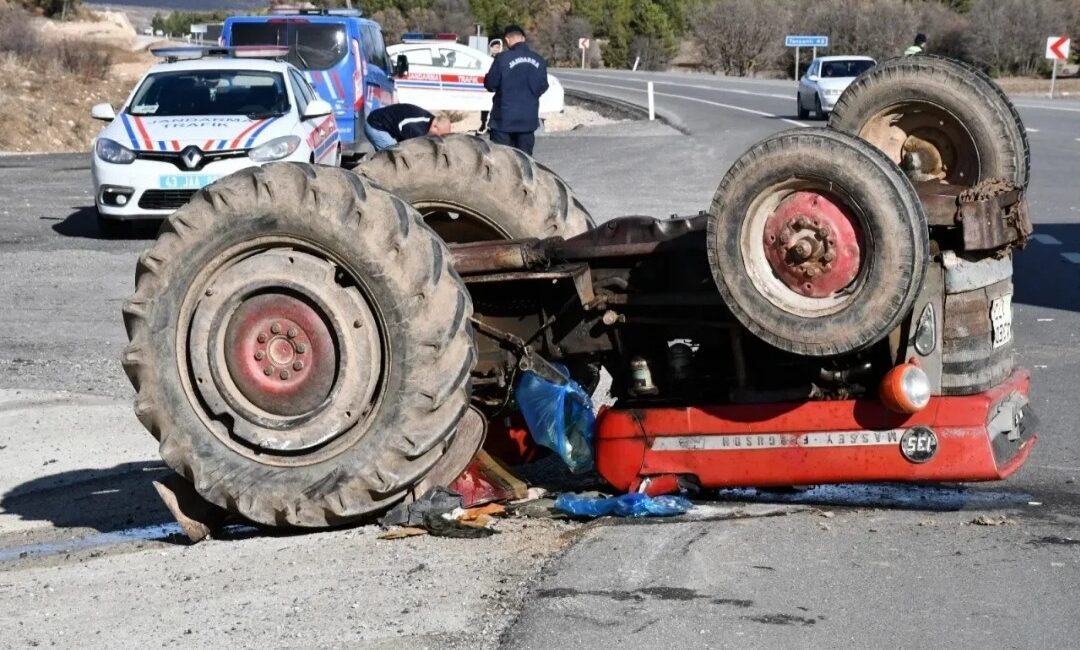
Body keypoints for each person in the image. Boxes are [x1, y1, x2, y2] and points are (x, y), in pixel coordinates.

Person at [483, 25, 548, 155]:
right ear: (523, 38)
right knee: (525, 161)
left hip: (503, 120)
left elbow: (491, 84)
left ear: (507, 40)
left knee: (502, 161)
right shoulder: (539, 60)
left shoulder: (502, 59)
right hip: (527, 120)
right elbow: (543, 86)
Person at [365, 103, 452, 151]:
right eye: (439, 135)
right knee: (395, 155)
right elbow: (410, 149)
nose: (438, 139)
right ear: (435, 126)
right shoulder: (416, 130)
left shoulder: (429, 119)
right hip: (376, 126)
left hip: (388, 127)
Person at [477, 39, 503, 135]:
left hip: (498, 87)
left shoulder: (502, 60)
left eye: (498, 47)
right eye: (493, 47)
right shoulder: (486, 59)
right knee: (484, 107)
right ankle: (483, 123)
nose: (496, 49)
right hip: (488, 86)